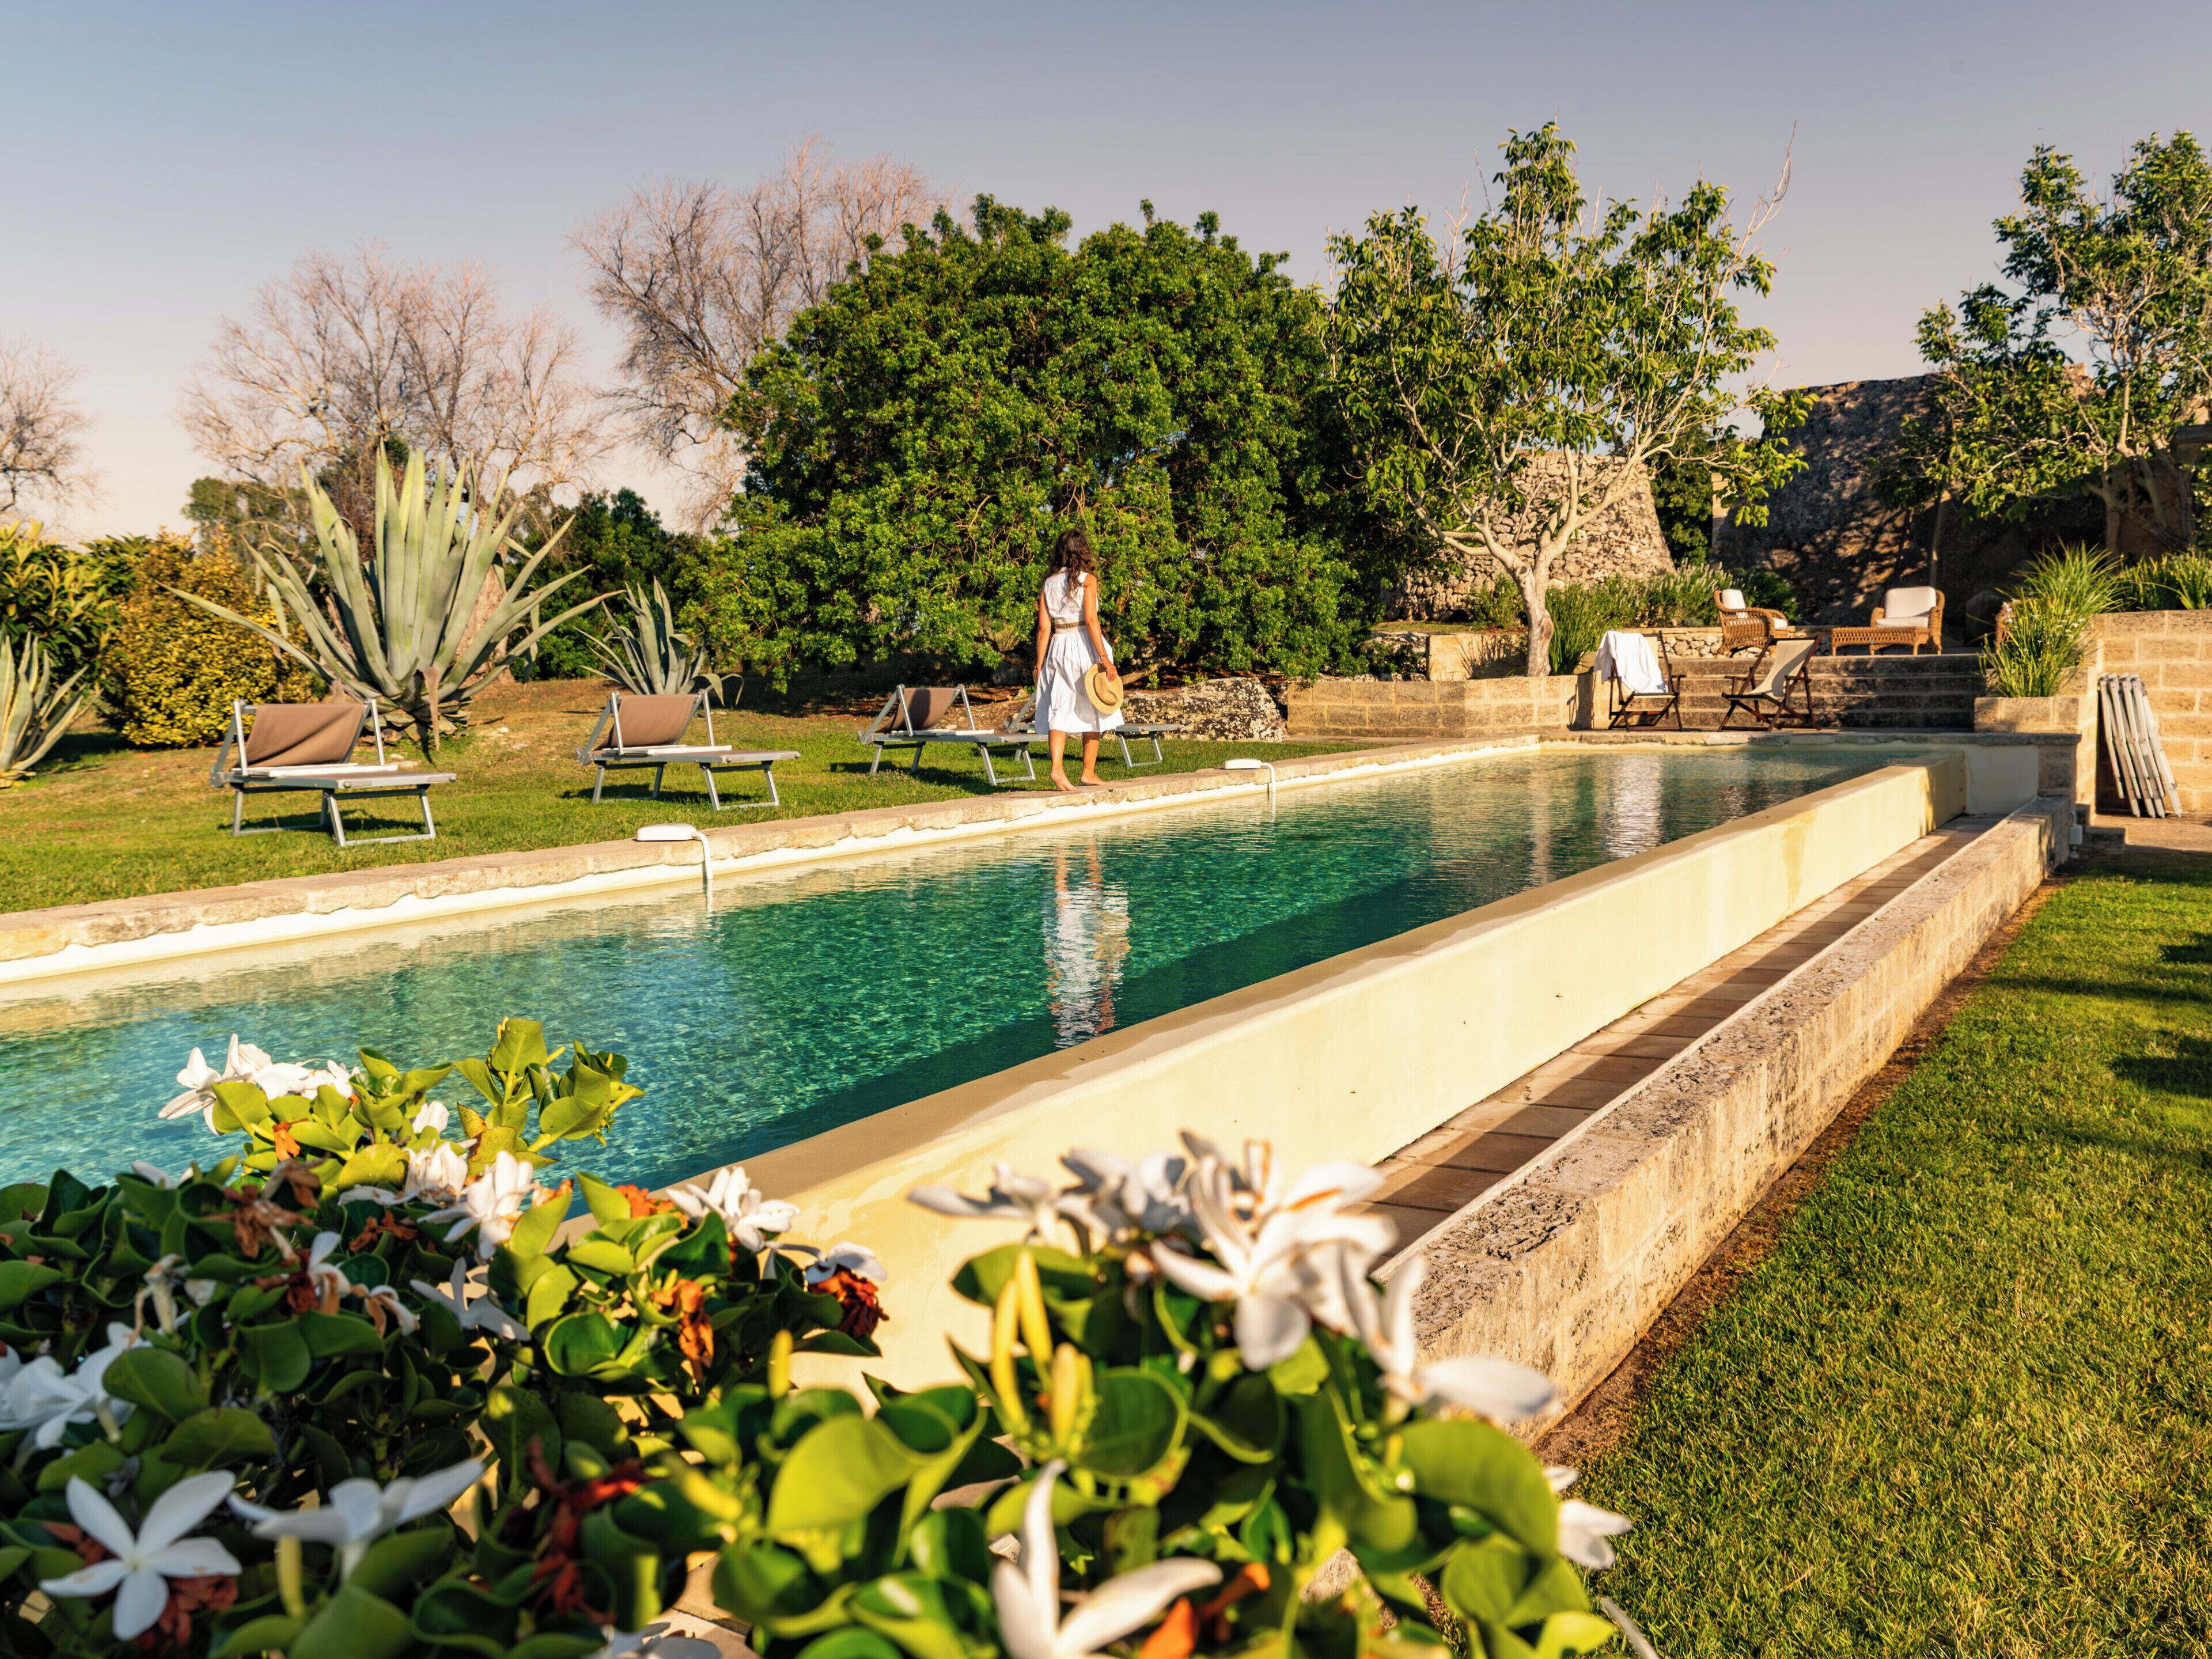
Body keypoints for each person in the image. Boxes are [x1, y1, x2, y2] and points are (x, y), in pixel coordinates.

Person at [1032, 528, 1122, 791]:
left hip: (1058, 646)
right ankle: (1088, 772)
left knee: (1059, 707)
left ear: (1060, 552)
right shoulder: (1087, 580)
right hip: (1084, 643)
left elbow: (1043, 629)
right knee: (1095, 704)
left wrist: (1039, 664)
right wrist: (1104, 658)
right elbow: (1092, 621)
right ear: (1083, 551)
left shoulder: (1048, 583)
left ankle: (1058, 769)